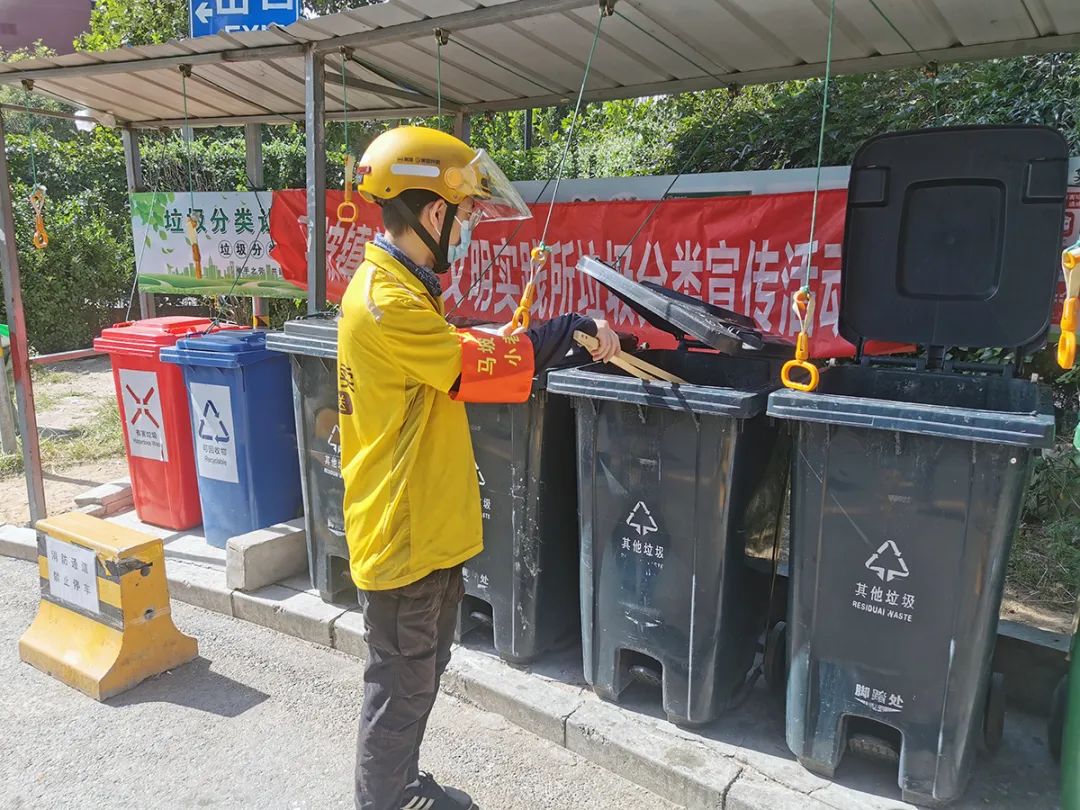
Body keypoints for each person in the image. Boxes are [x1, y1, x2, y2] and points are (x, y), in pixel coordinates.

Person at [337, 125, 619, 810]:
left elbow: (452, 349)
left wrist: (532, 338)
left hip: (423, 528)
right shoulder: (388, 300)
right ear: (436, 213)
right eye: (464, 218)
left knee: (422, 674)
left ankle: (400, 785)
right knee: (400, 690)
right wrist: (565, 331)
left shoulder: (405, 288)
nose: (465, 234)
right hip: (404, 534)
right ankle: (386, 801)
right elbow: (471, 369)